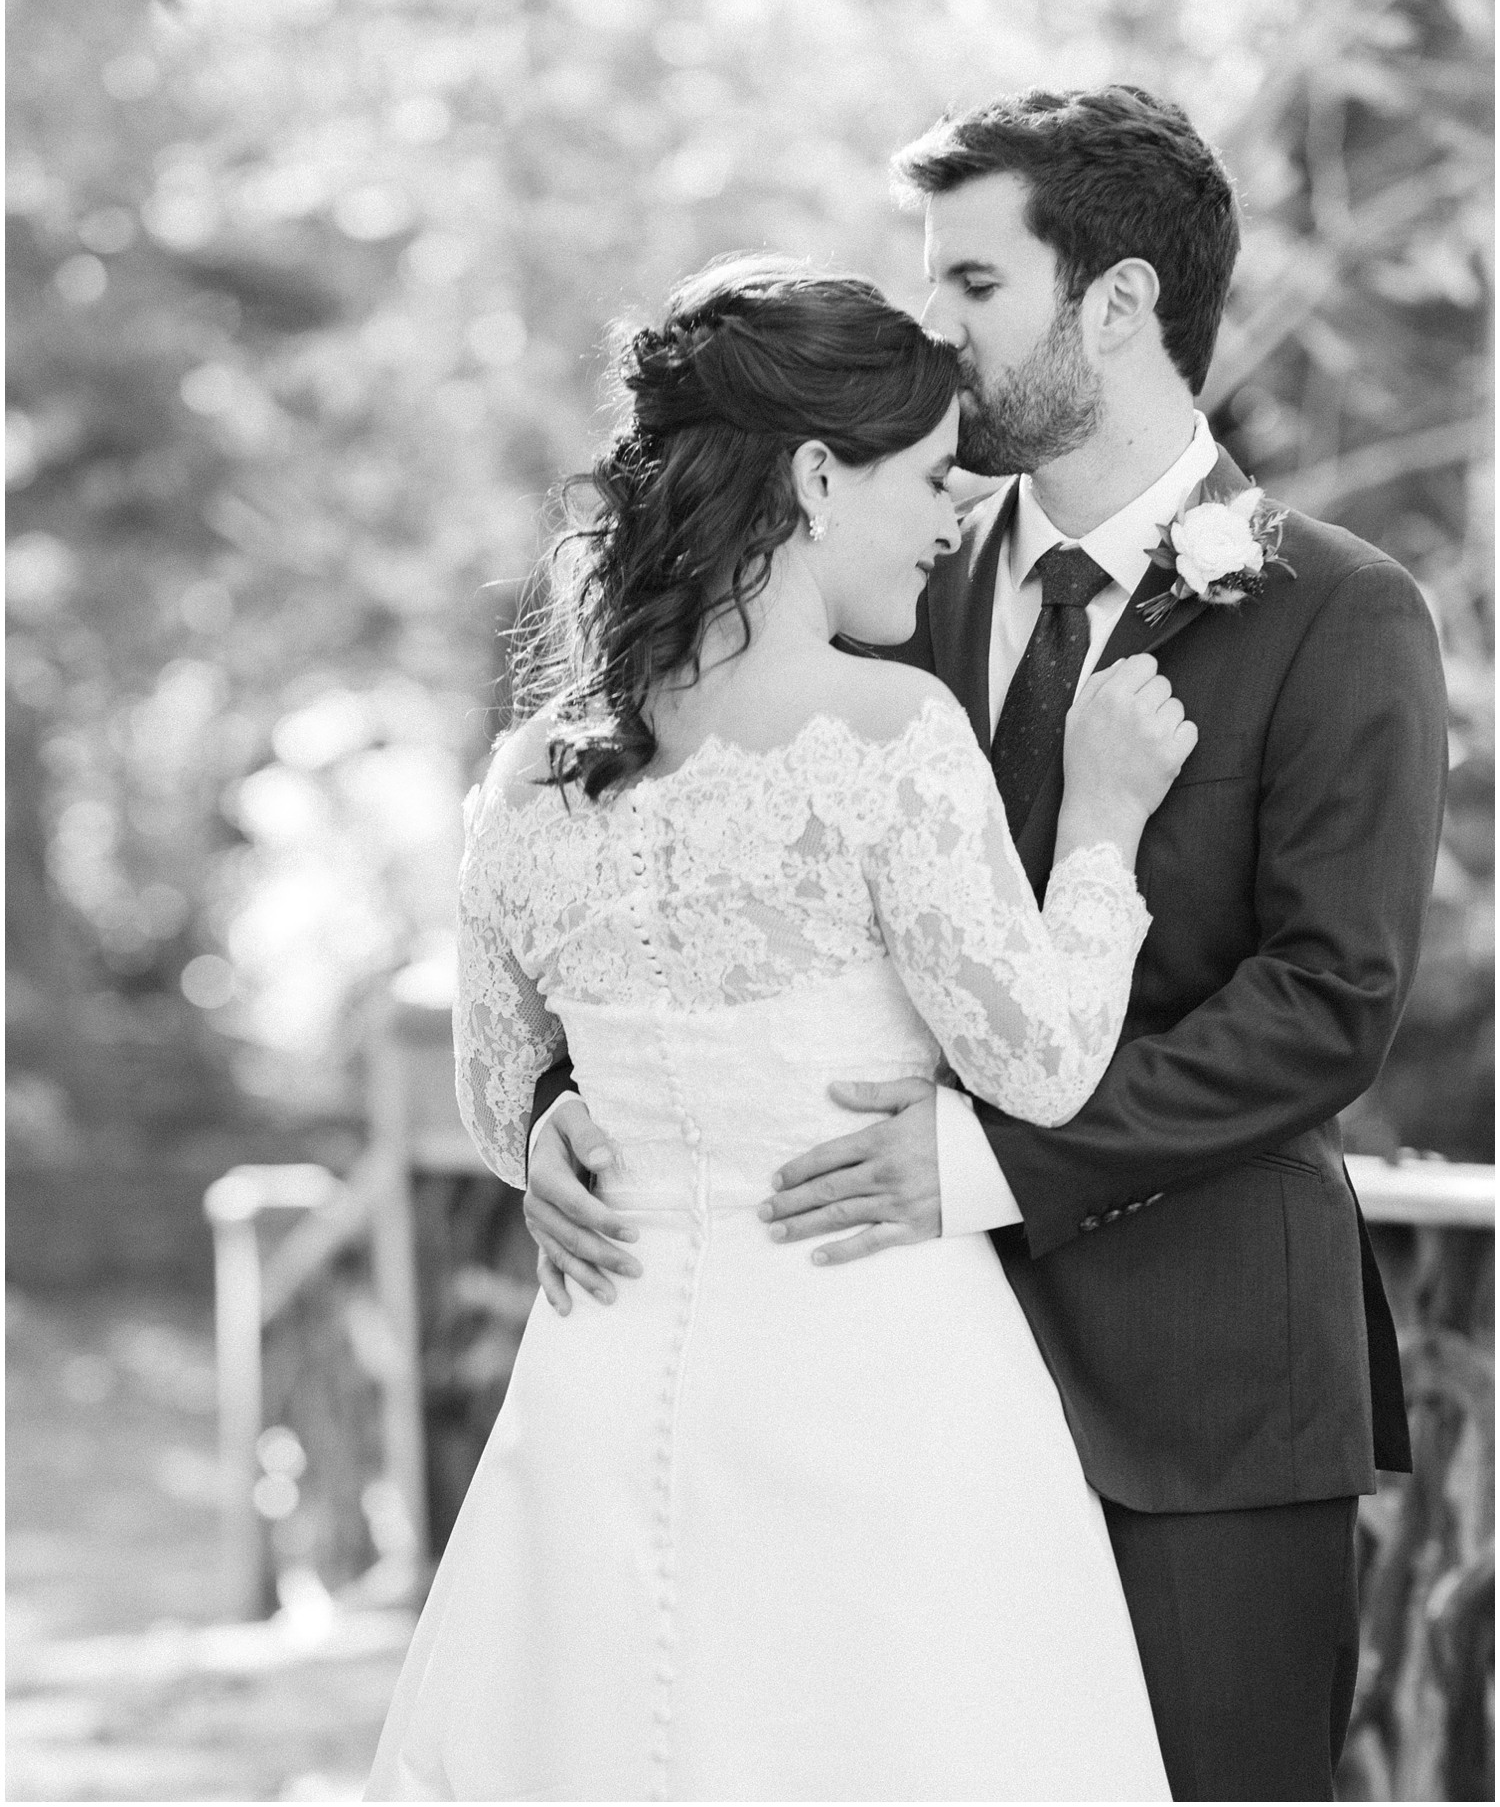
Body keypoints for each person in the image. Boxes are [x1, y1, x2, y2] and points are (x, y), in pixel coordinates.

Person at [526, 90, 1450, 1801]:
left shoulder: (1341, 611)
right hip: (876, 1394)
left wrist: (982, 1159)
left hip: (1201, 1402)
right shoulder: (871, 576)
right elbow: (684, 864)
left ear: (1116, 306)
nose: (927, 330)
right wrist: (566, 1099)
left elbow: (1331, 1005)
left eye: (972, 283)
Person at [366, 257, 1197, 1800]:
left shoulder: (538, 769)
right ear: (818, 475)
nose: (956, 517)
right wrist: (1101, 819)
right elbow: (1043, 1059)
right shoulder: (887, 735)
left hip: (606, 1386)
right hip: (874, 1382)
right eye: (935, 476)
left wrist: (555, 1124)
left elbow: (498, 1100)